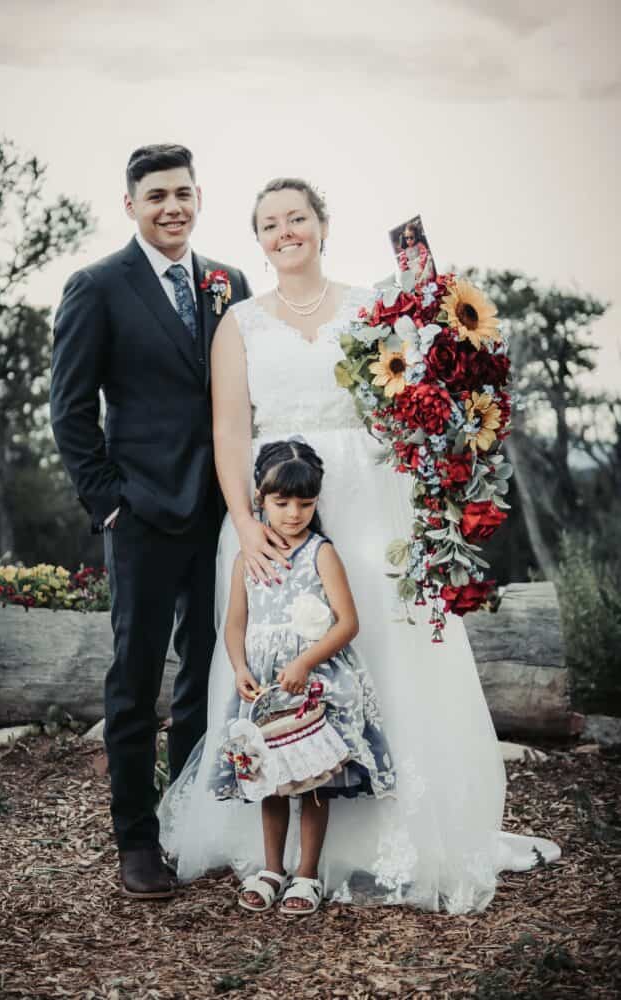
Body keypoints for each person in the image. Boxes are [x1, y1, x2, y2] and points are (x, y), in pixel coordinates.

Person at [159, 177, 560, 913]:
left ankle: (402, 829)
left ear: (322, 224)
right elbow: (229, 433)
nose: (287, 232)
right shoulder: (239, 324)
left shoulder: (371, 308)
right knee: (279, 654)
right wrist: (246, 524)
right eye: (271, 223)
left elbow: (417, 394)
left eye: (298, 218)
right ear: (259, 239)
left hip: (372, 501)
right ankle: (277, 844)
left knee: (387, 644)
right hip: (274, 509)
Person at [50, 144, 251, 900]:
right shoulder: (98, 287)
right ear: (130, 204)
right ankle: (135, 841)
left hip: (220, 512)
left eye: (183, 194)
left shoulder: (230, 282)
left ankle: (191, 822)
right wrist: (108, 501)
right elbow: (69, 413)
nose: (172, 207)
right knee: (135, 682)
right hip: (139, 512)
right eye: (156, 195)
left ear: (200, 197)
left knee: (209, 674)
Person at [214, 439, 396, 915]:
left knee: (313, 778)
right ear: (260, 498)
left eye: (305, 503)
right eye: (282, 502)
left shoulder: (321, 553)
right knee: (269, 777)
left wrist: (304, 662)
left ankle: (308, 873)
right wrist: (240, 668)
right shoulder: (246, 558)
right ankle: (272, 868)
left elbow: (348, 622)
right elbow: (235, 623)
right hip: (264, 688)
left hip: (312, 684)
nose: (294, 513)